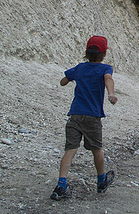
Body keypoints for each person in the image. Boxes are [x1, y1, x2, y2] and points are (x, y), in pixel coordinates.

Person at [50, 35, 118, 201]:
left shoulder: (80, 68)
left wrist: (68, 80)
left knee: (70, 150)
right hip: (92, 116)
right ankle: (101, 181)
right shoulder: (105, 68)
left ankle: (61, 185)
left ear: (86, 53)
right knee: (97, 149)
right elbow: (108, 79)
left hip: (75, 115)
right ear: (104, 54)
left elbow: (63, 81)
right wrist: (111, 93)